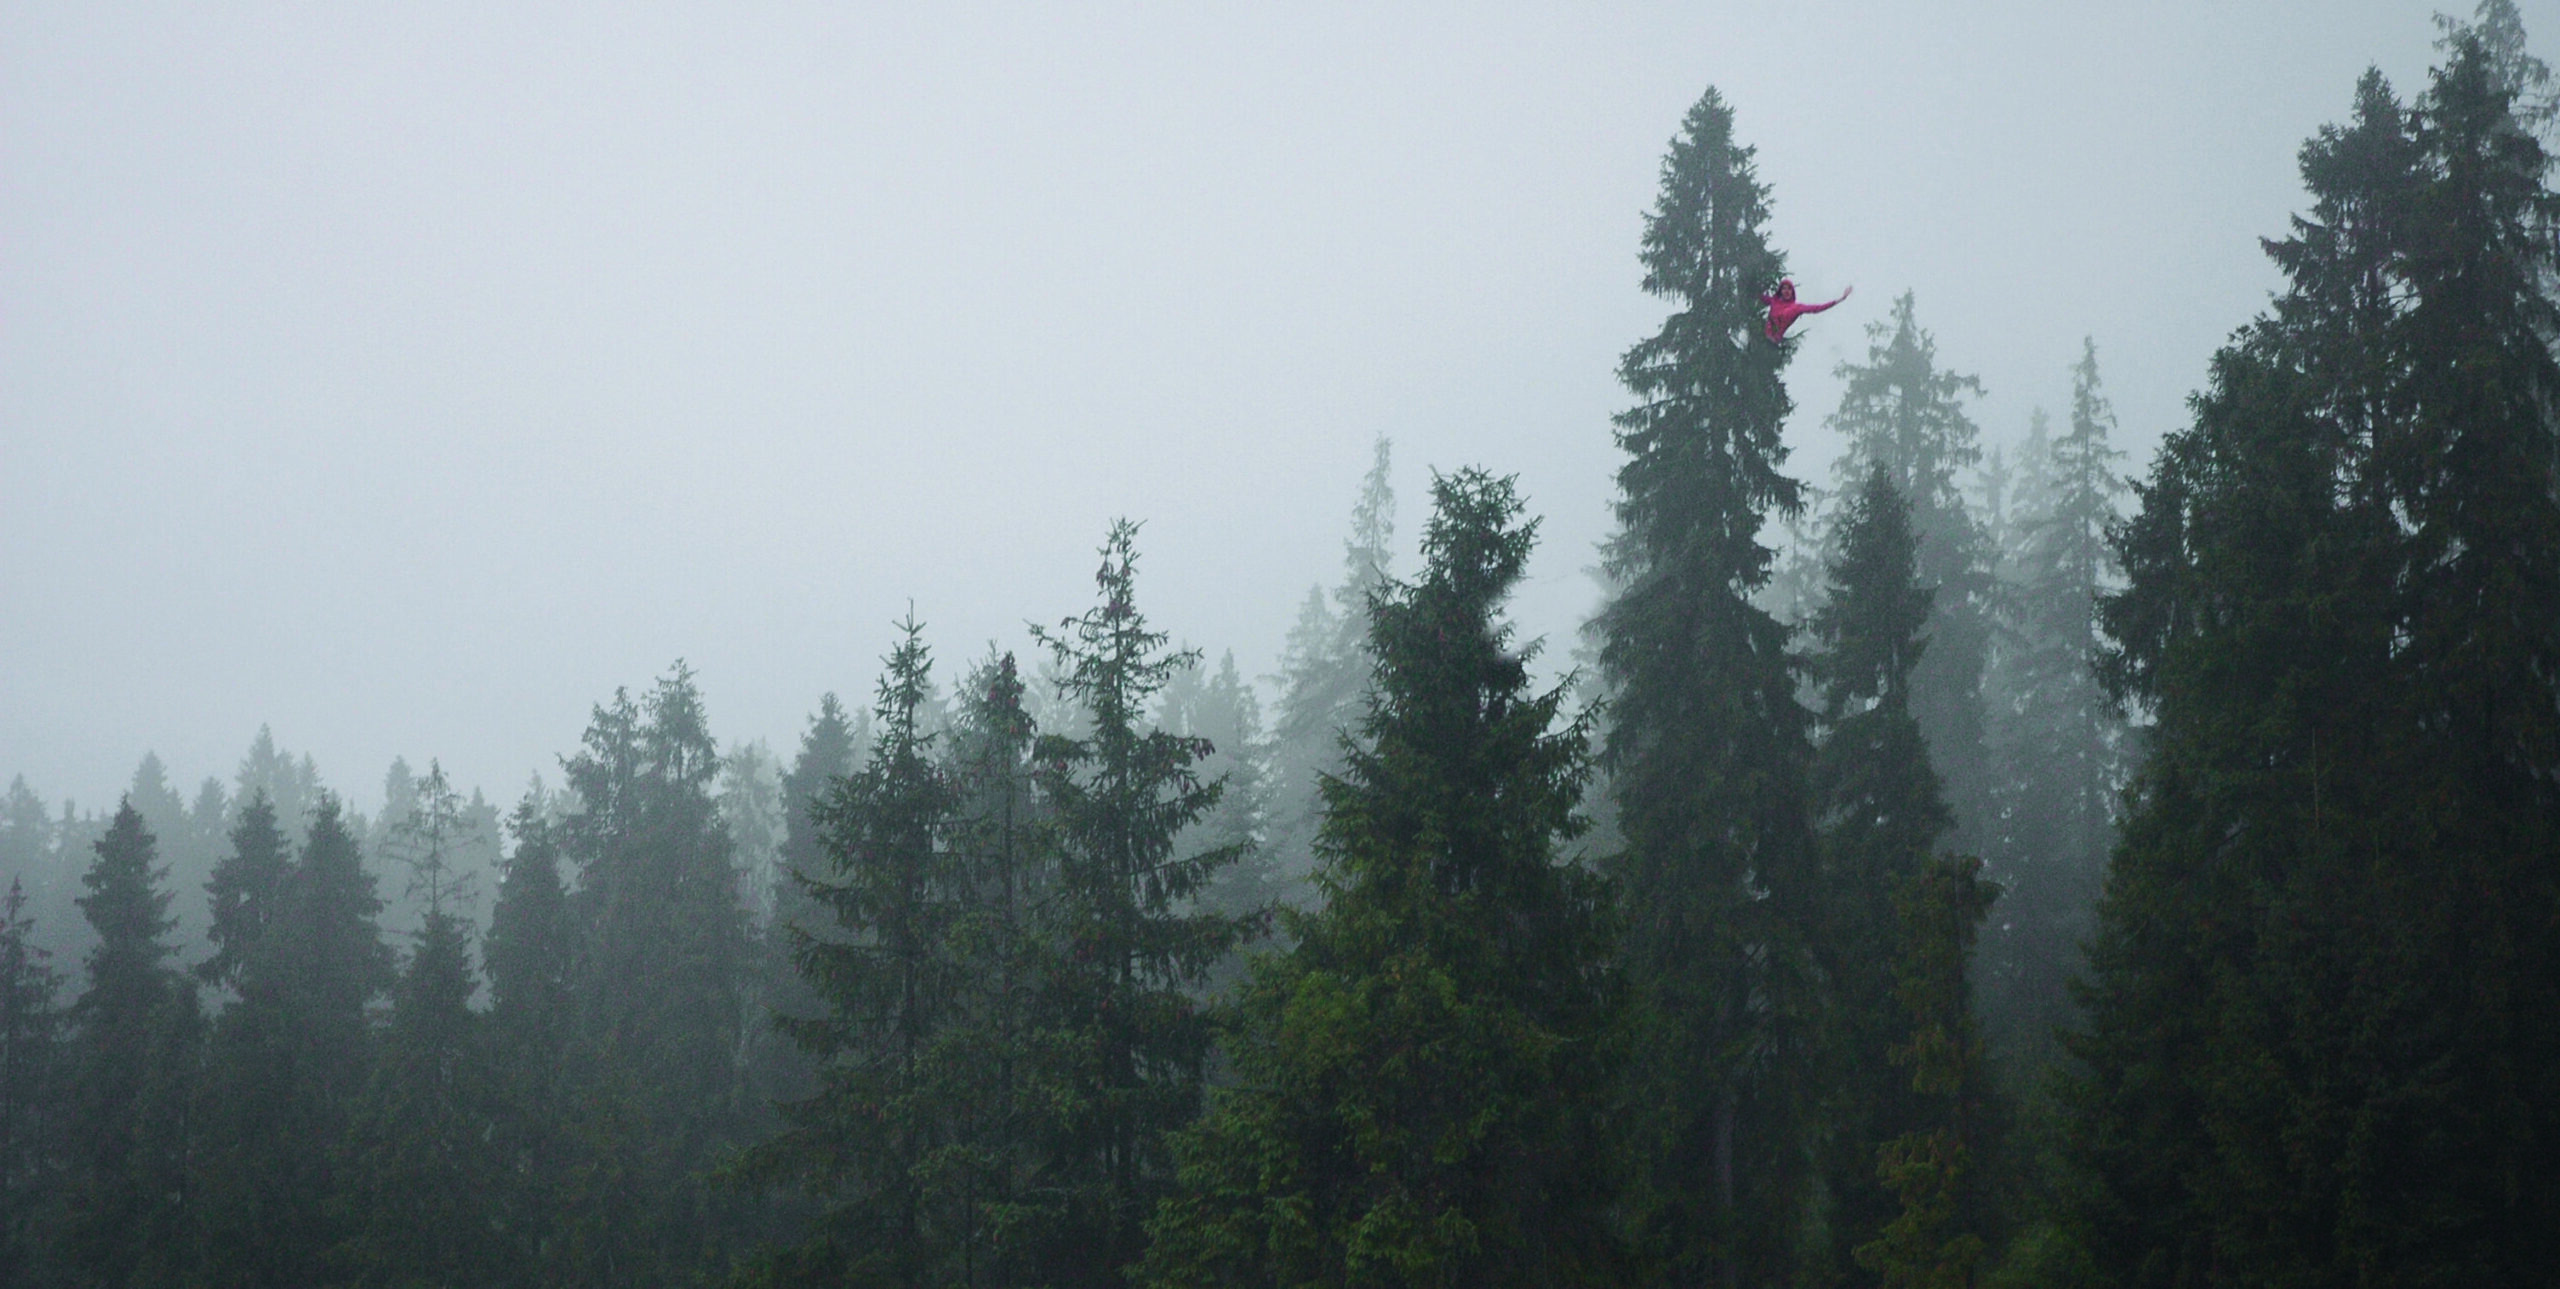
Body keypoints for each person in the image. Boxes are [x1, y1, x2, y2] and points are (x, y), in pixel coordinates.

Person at [1760, 278, 1851, 346]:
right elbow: (1758, 296)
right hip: (1761, 336)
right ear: (1780, 291)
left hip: (1773, 342)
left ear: (1792, 292)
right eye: (1784, 289)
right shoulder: (1774, 301)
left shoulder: (1797, 307)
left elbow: (1817, 308)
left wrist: (1840, 299)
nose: (1786, 291)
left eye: (1789, 289)